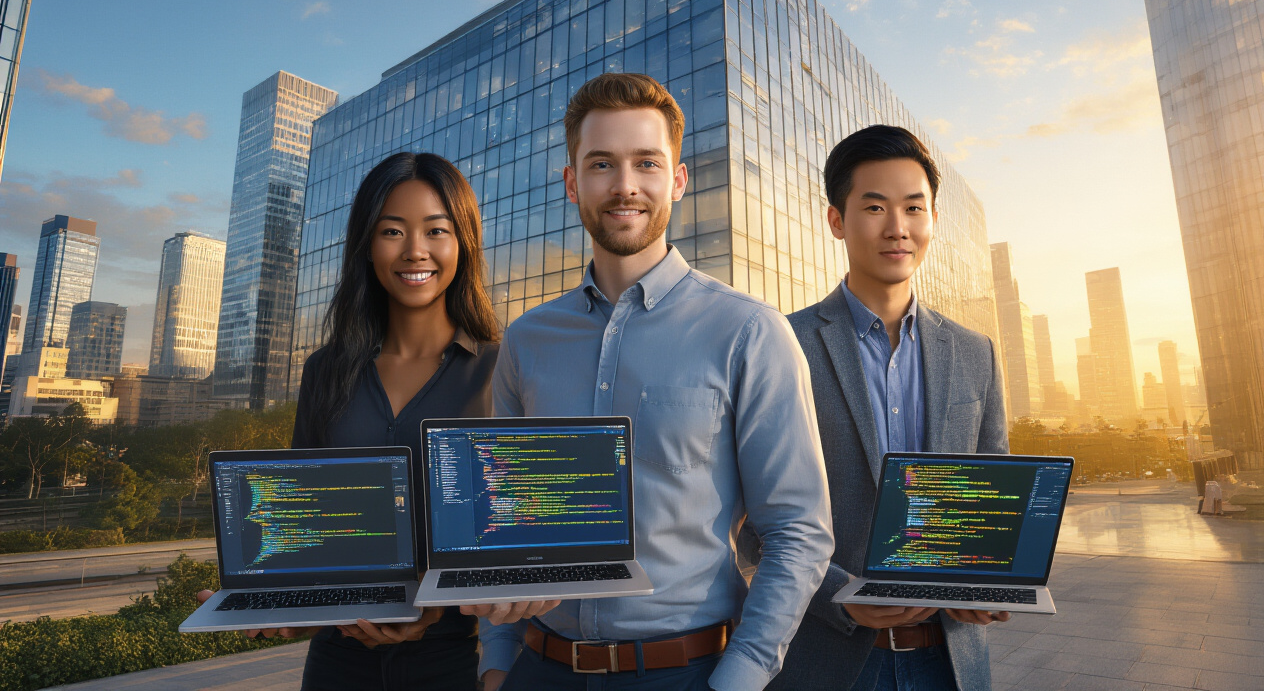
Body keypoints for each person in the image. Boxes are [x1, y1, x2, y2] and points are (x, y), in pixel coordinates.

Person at [478, 73, 834, 691]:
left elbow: (798, 530)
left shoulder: (750, 332)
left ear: (678, 179)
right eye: (601, 164)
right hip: (538, 669)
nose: (625, 185)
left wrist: (738, 680)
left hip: (686, 673)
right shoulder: (526, 340)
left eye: (647, 163)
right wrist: (497, 663)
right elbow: (504, 520)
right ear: (572, 183)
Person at [196, 152, 555, 691]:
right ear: (367, 244)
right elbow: (303, 525)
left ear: (464, 243)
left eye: (436, 230)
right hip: (336, 659)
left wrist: (431, 610)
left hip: (451, 660)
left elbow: (514, 540)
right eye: (392, 231)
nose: (415, 250)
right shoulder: (325, 370)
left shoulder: (503, 369)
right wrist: (281, 605)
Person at [767, 125, 1009, 691]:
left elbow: (991, 496)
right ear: (837, 220)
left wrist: (992, 579)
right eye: (875, 207)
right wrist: (841, 594)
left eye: (913, 208)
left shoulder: (976, 352)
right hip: (829, 661)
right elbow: (758, 518)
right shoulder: (782, 344)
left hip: (952, 663)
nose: (897, 227)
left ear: (932, 219)